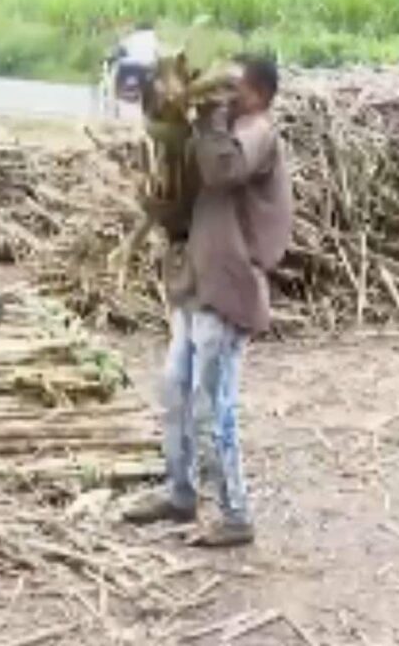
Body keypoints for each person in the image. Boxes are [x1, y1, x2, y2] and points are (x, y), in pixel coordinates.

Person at [124, 54, 293, 547]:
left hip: (228, 288)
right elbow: (190, 203)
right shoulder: (213, 137)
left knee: (211, 407)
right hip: (196, 286)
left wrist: (210, 115)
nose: (221, 93)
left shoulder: (258, 131)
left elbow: (224, 171)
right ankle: (180, 493)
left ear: (258, 93)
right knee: (175, 390)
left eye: (233, 86)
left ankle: (236, 515)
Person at [107, 22, 159, 99]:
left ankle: (115, 93)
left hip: (132, 64)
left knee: (117, 70)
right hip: (148, 65)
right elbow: (156, 53)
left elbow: (122, 49)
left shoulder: (133, 37)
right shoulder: (153, 37)